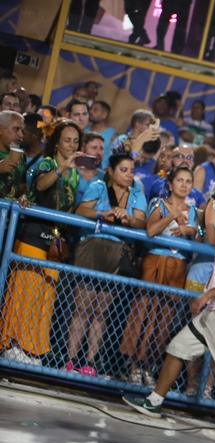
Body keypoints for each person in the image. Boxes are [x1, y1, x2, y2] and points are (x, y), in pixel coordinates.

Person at [123, 211, 215, 443]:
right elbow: (211, 238)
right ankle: (155, 401)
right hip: (213, 312)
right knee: (178, 347)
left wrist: (207, 294)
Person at [0, 119, 78, 365]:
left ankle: (31, 348)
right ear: (56, 142)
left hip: (53, 241)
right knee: (24, 292)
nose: (72, 145)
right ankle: (11, 343)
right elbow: (42, 184)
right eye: (67, 140)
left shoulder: (75, 173)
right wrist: (62, 166)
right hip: (33, 235)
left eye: (76, 141)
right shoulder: (47, 163)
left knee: (45, 297)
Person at [69, 154, 149, 376]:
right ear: (111, 171)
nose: (129, 175)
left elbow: (141, 222)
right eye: (124, 170)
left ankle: (89, 362)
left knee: (100, 312)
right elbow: (81, 210)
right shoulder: (98, 186)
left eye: (132, 170)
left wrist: (129, 218)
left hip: (117, 252)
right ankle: (70, 359)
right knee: (82, 307)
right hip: (92, 247)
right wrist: (101, 213)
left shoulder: (137, 193)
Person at [119, 167, 200, 385]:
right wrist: (172, 216)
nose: (184, 185)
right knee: (145, 311)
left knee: (165, 317)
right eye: (180, 180)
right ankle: (133, 364)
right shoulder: (158, 203)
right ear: (171, 183)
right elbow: (151, 230)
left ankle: (149, 366)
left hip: (178, 267)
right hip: (155, 264)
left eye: (188, 181)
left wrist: (190, 231)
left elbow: (199, 241)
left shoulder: (192, 211)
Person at [0, 110, 27, 201]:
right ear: (0, 129)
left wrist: (22, 198)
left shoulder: (22, 156)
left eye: (22, 131)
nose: (21, 134)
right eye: (16, 129)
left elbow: (22, 189)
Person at [87, 101, 115, 167]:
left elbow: (115, 161)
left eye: (95, 110)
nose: (90, 111)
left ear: (104, 114)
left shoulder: (113, 137)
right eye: (91, 109)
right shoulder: (83, 130)